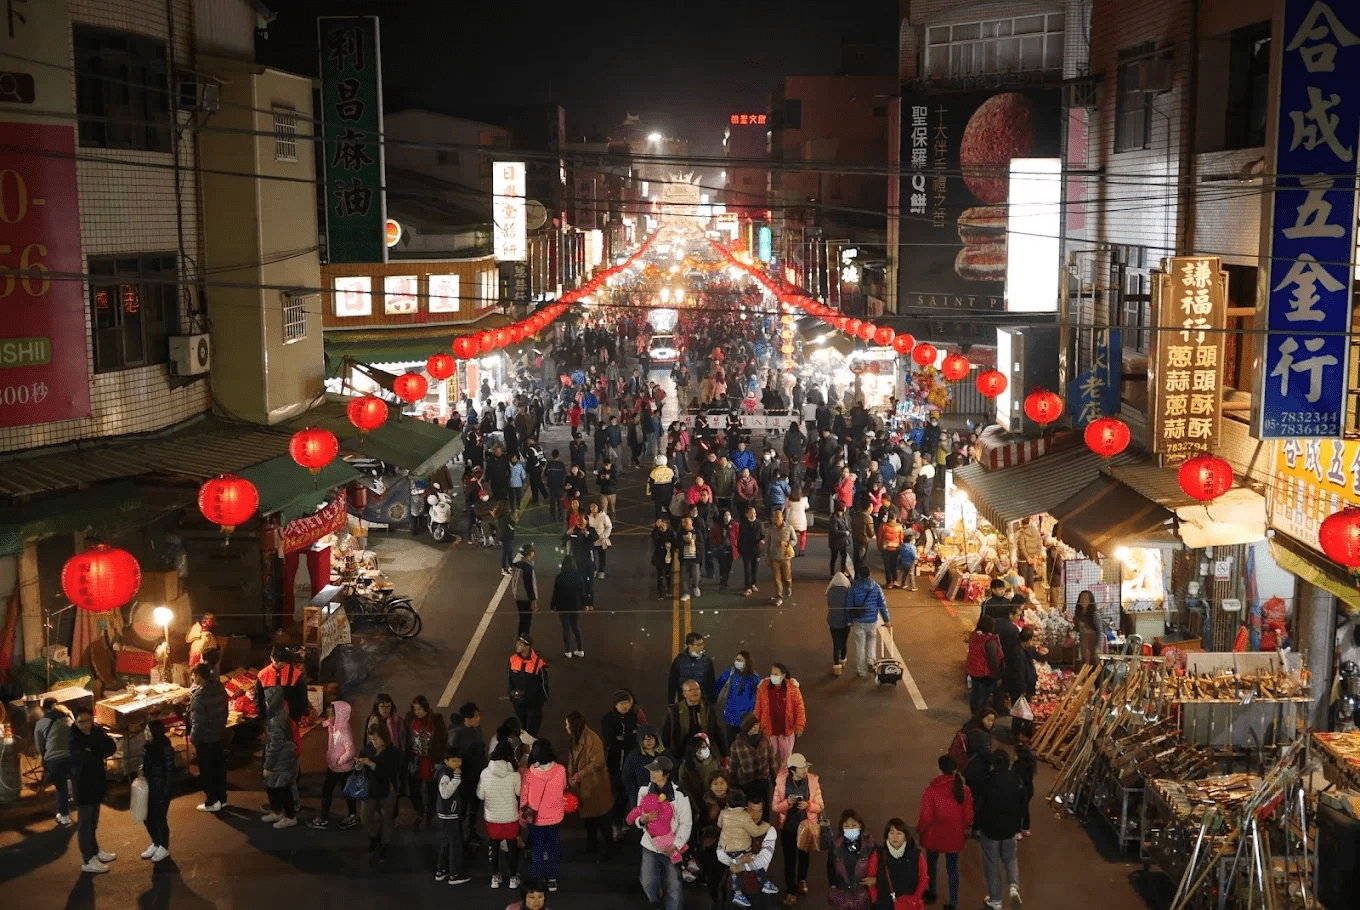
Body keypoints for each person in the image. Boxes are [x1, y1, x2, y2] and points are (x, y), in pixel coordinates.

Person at [633, 755, 693, 910]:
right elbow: (638, 817)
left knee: (674, 886)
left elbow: (686, 823)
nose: (652, 774)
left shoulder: (679, 795)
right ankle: (656, 904)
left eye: (656, 771)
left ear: (666, 774)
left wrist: (676, 845)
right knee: (647, 882)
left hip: (671, 846)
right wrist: (642, 820)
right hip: (650, 844)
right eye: (651, 770)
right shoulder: (644, 791)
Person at [917, 754, 973, 910]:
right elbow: (968, 818)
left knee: (931, 865)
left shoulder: (931, 790)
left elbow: (926, 817)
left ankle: (932, 892)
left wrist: (919, 831)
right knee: (953, 868)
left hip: (933, 836)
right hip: (954, 836)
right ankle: (953, 901)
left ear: (940, 769)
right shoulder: (964, 790)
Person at [976, 750, 1027, 910]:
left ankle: (996, 900)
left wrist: (976, 826)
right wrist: (1023, 825)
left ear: (993, 764)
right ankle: (1013, 887)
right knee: (1010, 859)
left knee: (992, 864)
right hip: (1010, 829)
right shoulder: (1016, 780)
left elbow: (980, 807)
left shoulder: (987, 781)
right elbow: (1023, 804)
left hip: (990, 830)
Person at [69, 706, 117, 873]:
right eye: (80, 721)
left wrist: (93, 750)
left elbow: (111, 747)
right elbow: (82, 758)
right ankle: (88, 859)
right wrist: (96, 751)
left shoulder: (97, 732)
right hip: (82, 784)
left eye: (87, 720)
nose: (85, 724)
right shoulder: (73, 737)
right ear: (75, 722)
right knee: (85, 822)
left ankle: (95, 851)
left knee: (93, 821)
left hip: (97, 781)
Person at [772, 753, 824, 903]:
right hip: (788, 827)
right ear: (792, 770)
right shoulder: (781, 782)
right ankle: (790, 891)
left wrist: (808, 805)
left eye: (805, 767)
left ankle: (802, 880)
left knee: (804, 855)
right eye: (802, 768)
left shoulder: (812, 781)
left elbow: (820, 805)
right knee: (789, 859)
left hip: (806, 826)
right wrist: (787, 802)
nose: (805, 770)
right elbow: (775, 807)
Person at [718, 793, 781, 908]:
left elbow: (764, 859)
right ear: (744, 810)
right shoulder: (732, 826)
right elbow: (720, 853)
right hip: (733, 887)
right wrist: (737, 862)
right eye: (751, 811)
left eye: (759, 811)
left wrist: (740, 866)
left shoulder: (769, 830)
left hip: (756, 888)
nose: (755, 815)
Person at [565, 711, 615, 856]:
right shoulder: (576, 739)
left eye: (567, 724)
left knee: (602, 818)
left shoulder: (592, 738)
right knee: (590, 819)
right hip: (587, 787)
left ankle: (608, 849)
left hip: (596, 785)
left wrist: (579, 775)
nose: (566, 727)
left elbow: (598, 761)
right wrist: (571, 777)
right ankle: (592, 847)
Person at [521, 738, 567, 891]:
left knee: (537, 850)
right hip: (555, 817)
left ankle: (538, 880)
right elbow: (563, 787)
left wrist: (523, 817)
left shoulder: (529, 774)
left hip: (536, 819)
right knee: (553, 849)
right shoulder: (560, 770)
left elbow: (524, 798)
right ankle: (552, 880)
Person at [479, 740, 524, 890]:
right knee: (512, 848)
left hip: (492, 817)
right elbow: (519, 793)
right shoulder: (514, 775)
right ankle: (513, 878)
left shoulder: (485, 773)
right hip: (510, 816)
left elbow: (480, 795)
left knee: (494, 847)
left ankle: (494, 877)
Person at [602, 689, 646, 837]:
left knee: (631, 792)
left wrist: (624, 738)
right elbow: (610, 740)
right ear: (615, 705)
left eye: (627, 702)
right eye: (621, 703)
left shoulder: (634, 716)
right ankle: (616, 823)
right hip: (616, 762)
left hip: (632, 760)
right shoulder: (608, 718)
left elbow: (638, 736)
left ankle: (628, 821)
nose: (625, 706)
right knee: (618, 793)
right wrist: (629, 737)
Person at [357, 720, 402, 863]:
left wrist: (372, 764)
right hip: (369, 789)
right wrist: (359, 765)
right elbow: (359, 767)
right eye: (371, 739)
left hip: (387, 789)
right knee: (365, 817)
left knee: (386, 819)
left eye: (376, 739)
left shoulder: (393, 752)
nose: (374, 742)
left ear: (384, 737)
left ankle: (384, 845)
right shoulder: (367, 749)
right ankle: (373, 837)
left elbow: (390, 772)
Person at [311, 700, 359, 829]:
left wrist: (340, 761)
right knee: (327, 792)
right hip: (333, 767)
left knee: (347, 793)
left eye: (332, 715)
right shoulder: (333, 728)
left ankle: (352, 816)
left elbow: (351, 751)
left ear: (339, 716)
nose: (329, 717)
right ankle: (324, 817)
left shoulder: (343, 731)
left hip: (343, 769)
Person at [188, 662, 229, 813]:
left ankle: (212, 801)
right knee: (219, 769)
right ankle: (222, 799)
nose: (193, 678)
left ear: (199, 676)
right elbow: (225, 712)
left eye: (194, 675)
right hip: (219, 734)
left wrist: (193, 739)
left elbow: (198, 723)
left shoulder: (200, 696)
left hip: (206, 739)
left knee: (207, 771)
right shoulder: (219, 688)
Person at [405, 694, 448, 828]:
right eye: (415, 709)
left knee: (431, 789)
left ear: (426, 708)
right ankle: (420, 811)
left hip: (430, 760)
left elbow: (443, 740)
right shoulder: (410, 720)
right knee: (414, 789)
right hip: (416, 758)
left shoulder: (436, 721)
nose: (417, 712)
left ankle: (430, 813)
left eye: (420, 709)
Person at [865, 819, 929, 910]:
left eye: (899, 833)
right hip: (884, 904)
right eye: (891, 833)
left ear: (905, 837)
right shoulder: (878, 854)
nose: (895, 837)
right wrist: (875, 900)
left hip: (909, 904)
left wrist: (916, 898)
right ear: (887, 835)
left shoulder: (916, 854)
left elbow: (924, 878)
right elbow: (870, 878)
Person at [753, 663, 805, 768]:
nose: (773, 676)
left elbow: (799, 707)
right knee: (768, 757)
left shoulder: (792, 688)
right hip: (768, 730)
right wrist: (754, 723)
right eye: (772, 673)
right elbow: (758, 707)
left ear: (783, 675)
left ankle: (784, 774)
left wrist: (800, 725)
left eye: (776, 674)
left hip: (786, 731)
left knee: (786, 758)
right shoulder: (763, 687)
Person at [262, 687, 300, 828]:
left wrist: (268, 766)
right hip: (283, 757)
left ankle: (289, 816)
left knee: (282, 788)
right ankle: (278, 811)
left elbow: (275, 744)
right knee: (276, 786)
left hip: (281, 759)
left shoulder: (276, 720)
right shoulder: (279, 713)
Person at [138, 718, 175, 863]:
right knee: (147, 817)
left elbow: (170, 770)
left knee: (159, 818)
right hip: (148, 787)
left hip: (160, 788)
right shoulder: (147, 746)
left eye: (148, 730)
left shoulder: (165, 747)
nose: (145, 732)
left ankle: (164, 847)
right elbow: (144, 763)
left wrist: (166, 791)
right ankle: (156, 843)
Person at [450, 703, 487, 844]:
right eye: (475, 717)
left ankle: (471, 831)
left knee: (475, 806)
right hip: (465, 779)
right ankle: (459, 836)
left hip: (477, 776)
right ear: (466, 719)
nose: (478, 719)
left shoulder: (476, 730)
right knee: (463, 807)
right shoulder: (458, 735)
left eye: (478, 716)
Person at [846, 565, 891, 679]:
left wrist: (849, 620)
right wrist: (886, 620)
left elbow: (849, 605)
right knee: (871, 640)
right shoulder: (876, 587)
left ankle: (861, 670)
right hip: (871, 620)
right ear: (869, 574)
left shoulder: (854, 588)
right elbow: (882, 604)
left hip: (858, 620)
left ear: (859, 575)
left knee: (860, 645)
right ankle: (871, 660)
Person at [33, 698, 73, 826]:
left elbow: (40, 746)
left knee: (61, 787)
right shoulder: (68, 718)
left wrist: (45, 758)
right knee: (76, 781)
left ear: (43, 709)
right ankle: (85, 811)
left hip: (55, 760)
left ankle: (64, 816)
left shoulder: (41, 723)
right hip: (73, 757)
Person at [826, 809, 877, 910]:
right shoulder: (836, 844)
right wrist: (833, 886)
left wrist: (875, 879)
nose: (850, 829)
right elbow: (830, 866)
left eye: (854, 825)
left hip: (864, 896)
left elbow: (879, 865)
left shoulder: (870, 844)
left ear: (860, 825)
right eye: (847, 826)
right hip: (842, 896)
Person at [434, 750, 472, 884]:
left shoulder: (445, 772)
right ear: (446, 761)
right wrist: (456, 778)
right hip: (449, 814)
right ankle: (455, 874)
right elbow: (445, 793)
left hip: (446, 813)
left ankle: (441, 870)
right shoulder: (446, 774)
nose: (458, 763)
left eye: (459, 760)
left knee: (445, 841)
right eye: (454, 760)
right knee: (455, 843)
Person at [662, 679, 725, 757]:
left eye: (697, 689)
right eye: (691, 690)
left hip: (704, 751)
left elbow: (716, 730)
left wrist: (724, 754)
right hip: (682, 752)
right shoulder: (675, 711)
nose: (695, 692)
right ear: (684, 694)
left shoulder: (707, 708)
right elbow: (666, 734)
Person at [621, 724, 668, 818]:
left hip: (663, 794)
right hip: (641, 795)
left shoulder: (664, 754)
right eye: (645, 739)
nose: (648, 741)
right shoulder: (633, 757)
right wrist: (634, 796)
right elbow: (627, 778)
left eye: (651, 738)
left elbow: (671, 773)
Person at [716, 651, 761, 747]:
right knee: (731, 745)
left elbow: (758, 698)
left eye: (740, 660)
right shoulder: (730, 673)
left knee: (745, 746)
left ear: (747, 662)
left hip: (746, 719)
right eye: (736, 659)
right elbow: (718, 686)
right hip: (730, 717)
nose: (737, 662)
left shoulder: (754, 678)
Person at [508, 634, 550, 736]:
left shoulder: (538, 663)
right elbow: (509, 680)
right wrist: (512, 696)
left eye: (520, 643)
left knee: (531, 733)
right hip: (518, 703)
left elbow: (544, 684)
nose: (517, 645)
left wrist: (541, 701)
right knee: (521, 730)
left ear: (527, 646)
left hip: (533, 705)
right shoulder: (513, 659)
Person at [550, 554, 589, 659]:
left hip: (562, 606)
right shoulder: (578, 577)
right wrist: (585, 604)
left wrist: (552, 607)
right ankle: (580, 649)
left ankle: (568, 651)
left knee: (566, 628)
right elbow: (582, 593)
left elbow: (556, 594)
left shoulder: (559, 578)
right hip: (575, 606)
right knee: (576, 627)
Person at [966, 615, 1005, 716]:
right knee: (983, 698)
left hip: (974, 671)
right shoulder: (989, 642)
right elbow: (993, 661)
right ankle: (980, 717)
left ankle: (974, 714)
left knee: (975, 694)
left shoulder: (974, 636)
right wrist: (998, 676)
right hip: (985, 674)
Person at [668, 631, 718, 704]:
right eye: (698, 645)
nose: (701, 647)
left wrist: (711, 701)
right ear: (690, 645)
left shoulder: (706, 661)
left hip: (702, 700)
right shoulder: (680, 660)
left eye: (702, 644)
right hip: (684, 700)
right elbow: (673, 682)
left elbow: (711, 682)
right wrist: (671, 701)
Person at [766, 509, 797, 606]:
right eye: (774, 517)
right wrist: (767, 557)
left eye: (778, 517)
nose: (776, 519)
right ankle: (779, 596)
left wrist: (787, 543)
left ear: (782, 518)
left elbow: (795, 540)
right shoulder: (770, 529)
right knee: (776, 579)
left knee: (787, 577)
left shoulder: (789, 528)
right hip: (774, 557)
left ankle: (788, 586)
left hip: (785, 557)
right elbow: (767, 544)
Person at [826, 572, 852, 676]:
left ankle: (836, 665)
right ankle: (843, 659)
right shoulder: (848, 591)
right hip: (845, 621)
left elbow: (829, 604)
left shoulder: (830, 591)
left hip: (833, 620)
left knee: (836, 643)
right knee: (844, 641)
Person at [1074, 589, 1107, 669]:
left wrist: (1098, 647)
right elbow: (1077, 629)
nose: (1083, 601)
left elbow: (1100, 632)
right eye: (1081, 598)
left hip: (1094, 645)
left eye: (1086, 599)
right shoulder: (1079, 614)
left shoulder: (1095, 614)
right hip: (1084, 645)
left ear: (1090, 601)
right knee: (1085, 667)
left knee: (1095, 667)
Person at [512, 543, 539, 638]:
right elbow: (529, 586)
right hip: (525, 598)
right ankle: (525, 642)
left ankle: (520, 640)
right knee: (527, 622)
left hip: (518, 596)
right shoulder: (528, 567)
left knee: (522, 620)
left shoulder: (518, 564)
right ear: (529, 553)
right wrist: (533, 600)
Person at [738, 505, 766, 597]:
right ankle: (747, 587)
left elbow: (763, 535)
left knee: (755, 568)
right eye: (751, 513)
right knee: (747, 569)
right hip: (746, 550)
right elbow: (740, 537)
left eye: (754, 513)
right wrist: (739, 549)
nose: (753, 514)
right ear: (746, 514)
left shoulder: (759, 524)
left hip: (756, 550)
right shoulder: (743, 524)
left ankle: (753, 583)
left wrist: (762, 541)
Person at [1014, 742, 1037, 839]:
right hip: (1029, 789)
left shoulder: (1019, 765)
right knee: (1025, 809)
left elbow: (1015, 776)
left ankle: (1017, 831)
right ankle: (1026, 828)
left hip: (1019, 789)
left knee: (1017, 810)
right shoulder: (1032, 762)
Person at [876, 511, 905, 589]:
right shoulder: (899, 527)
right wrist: (900, 546)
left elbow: (880, 537)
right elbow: (901, 538)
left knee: (887, 566)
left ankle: (889, 583)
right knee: (894, 565)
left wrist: (879, 546)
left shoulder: (883, 526)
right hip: (896, 548)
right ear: (895, 518)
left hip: (886, 548)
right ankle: (895, 580)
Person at [652, 515, 676, 600]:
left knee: (668, 574)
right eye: (661, 527)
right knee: (660, 575)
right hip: (659, 556)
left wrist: (671, 546)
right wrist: (656, 528)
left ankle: (669, 589)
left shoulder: (670, 533)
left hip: (668, 556)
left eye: (664, 526)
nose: (663, 528)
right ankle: (660, 592)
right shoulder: (657, 534)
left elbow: (675, 542)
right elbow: (654, 538)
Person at [587, 500, 613, 579]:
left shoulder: (603, 516)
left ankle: (601, 571)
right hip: (592, 540)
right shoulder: (589, 517)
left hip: (601, 540)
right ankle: (594, 570)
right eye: (591, 507)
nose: (593, 508)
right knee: (592, 557)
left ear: (598, 507)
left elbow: (609, 526)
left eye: (594, 506)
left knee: (602, 557)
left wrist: (604, 536)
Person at [713, 508, 737, 591]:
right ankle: (722, 581)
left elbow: (737, 536)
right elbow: (714, 536)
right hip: (721, 547)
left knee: (728, 565)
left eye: (728, 515)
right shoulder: (718, 526)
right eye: (725, 515)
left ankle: (726, 579)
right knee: (722, 565)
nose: (726, 517)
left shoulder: (734, 525)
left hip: (730, 548)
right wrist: (717, 544)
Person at [648, 454, 677, 519]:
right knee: (669, 507)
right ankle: (672, 519)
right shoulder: (670, 471)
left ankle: (658, 520)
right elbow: (674, 482)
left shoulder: (654, 472)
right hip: (668, 492)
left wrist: (650, 494)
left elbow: (650, 484)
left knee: (658, 508)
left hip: (657, 493)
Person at [544, 449, 568, 523]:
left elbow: (545, 473)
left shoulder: (549, 464)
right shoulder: (561, 464)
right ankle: (560, 515)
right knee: (559, 501)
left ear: (552, 455)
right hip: (559, 486)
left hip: (551, 486)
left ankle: (552, 516)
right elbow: (565, 475)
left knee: (552, 502)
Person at [787, 488, 810, 555]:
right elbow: (807, 507)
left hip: (791, 518)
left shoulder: (789, 500)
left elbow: (787, 508)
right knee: (803, 533)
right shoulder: (804, 499)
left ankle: (791, 547)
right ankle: (801, 549)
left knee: (790, 534)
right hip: (801, 519)